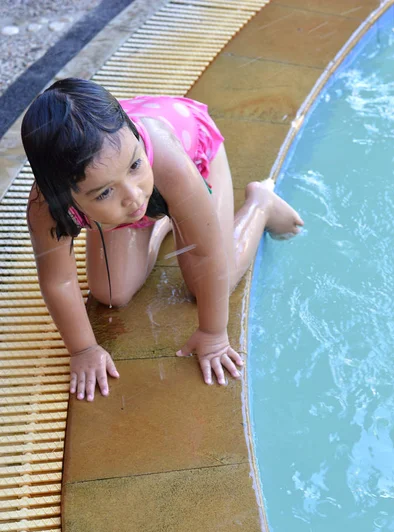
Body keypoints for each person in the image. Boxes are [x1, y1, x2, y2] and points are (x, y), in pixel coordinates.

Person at [21, 78, 303, 402]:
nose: (133, 194)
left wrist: (213, 334)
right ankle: (167, 216)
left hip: (196, 160)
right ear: (62, 196)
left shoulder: (164, 159)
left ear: (136, 141)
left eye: (135, 166)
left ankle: (261, 203)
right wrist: (83, 349)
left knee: (209, 285)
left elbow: (207, 255)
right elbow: (58, 282)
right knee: (111, 292)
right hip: (138, 181)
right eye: (105, 192)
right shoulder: (45, 206)